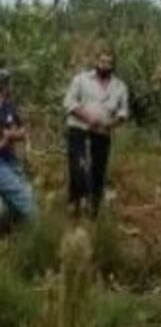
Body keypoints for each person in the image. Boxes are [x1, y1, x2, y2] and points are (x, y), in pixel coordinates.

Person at [64, 50, 129, 218]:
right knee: (79, 167)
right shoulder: (81, 79)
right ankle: (75, 200)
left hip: (102, 132)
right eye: (102, 61)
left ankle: (93, 210)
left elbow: (123, 113)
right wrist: (87, 117)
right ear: (96, 62)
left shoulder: (120, 87)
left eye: (109, 62)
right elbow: (69, 102)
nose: (105, 65)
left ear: (113, 65)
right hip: (79, 128)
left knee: (98, 171)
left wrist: (110, 124)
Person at [0, 69, 36, 225]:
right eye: (3, 82)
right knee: (28, 205)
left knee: (26, 194)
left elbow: (23, 131)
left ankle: (16, 233)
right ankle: (41, 234)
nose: (5, 85)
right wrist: (4, 141)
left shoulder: (9, 106)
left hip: (10, 159)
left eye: (5, 81)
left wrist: (13, 135)